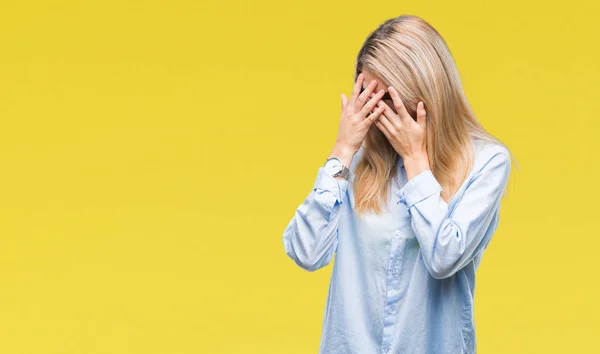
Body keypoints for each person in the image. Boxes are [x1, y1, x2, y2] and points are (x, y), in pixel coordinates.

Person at [282, 14, 518, 354]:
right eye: (369, 98)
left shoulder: (486, 162)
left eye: (390, 100)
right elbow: (305, 252)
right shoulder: (360, 159)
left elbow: (444, 258)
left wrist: (416, 160)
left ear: (426, 93)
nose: (380, 115)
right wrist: (342, 150)